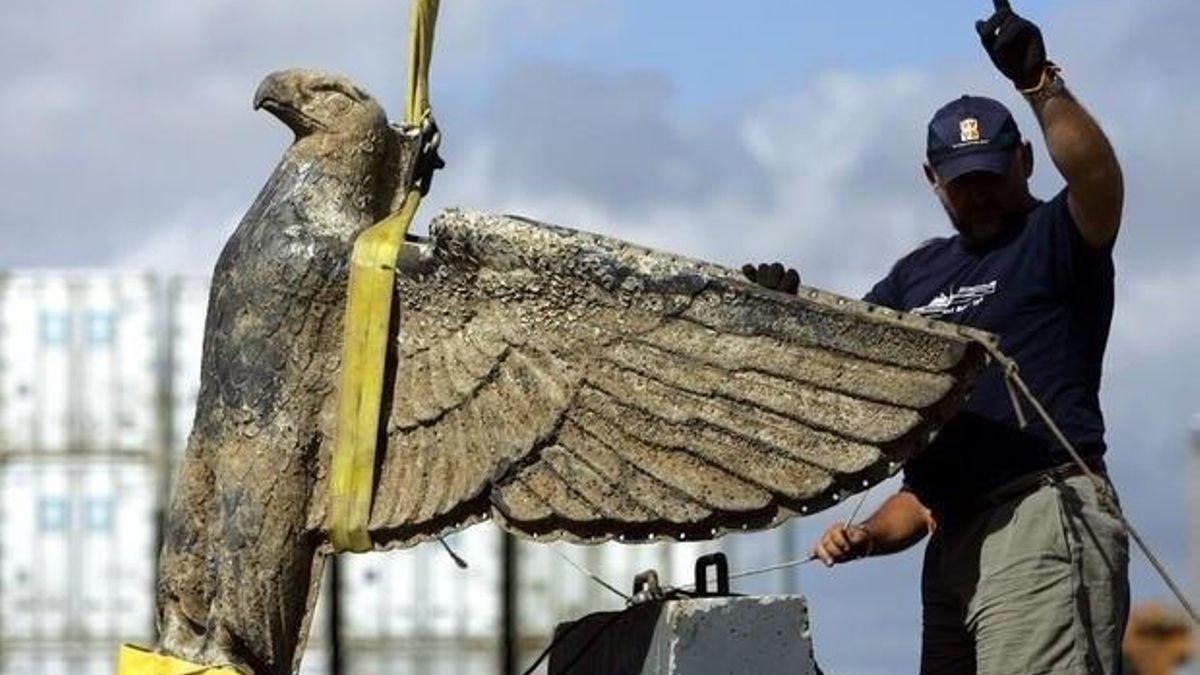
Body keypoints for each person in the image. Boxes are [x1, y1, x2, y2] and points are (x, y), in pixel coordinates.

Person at [744, 2, 1128, 673]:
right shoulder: (915, 276)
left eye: (989, 176)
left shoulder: (1055, 239)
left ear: (1025, 162)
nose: (977, 194)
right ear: (932, 181)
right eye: (960, 181)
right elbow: (850, 367)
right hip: (951, 542)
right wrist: (780, 315)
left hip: (1039, 517)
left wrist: (1040, 84)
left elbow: (1098, 180)